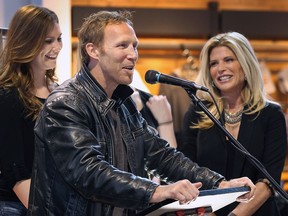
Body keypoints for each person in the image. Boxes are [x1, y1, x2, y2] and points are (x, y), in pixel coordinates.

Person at [27, 11, 255, 216]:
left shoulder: (123, 103)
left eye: (134, 46)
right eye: (122, 46)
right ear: (93, 50)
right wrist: (156, 191)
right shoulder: (66, 102)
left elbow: (160, 154)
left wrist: (217, 183)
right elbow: (89, 172)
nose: (133, 54)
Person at [178, 32, 287, 216]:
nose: (220, 68)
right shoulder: (198, 112)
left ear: (245, 66)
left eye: (228, 60)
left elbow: (268, 180)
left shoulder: (271, 114)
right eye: (214, 63)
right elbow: (186, 169)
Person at [0, 4, 62, 215]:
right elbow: (15, 172)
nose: (57, 47)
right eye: (48, 41)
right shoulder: (7, 96)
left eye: (59, 38)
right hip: (17, 204)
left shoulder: (60, 92)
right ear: (27, 41)